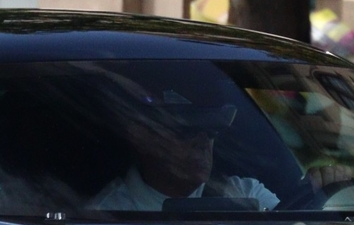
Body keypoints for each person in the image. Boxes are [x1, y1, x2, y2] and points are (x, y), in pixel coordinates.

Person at [88, 89, 280, 212]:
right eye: (187, 130)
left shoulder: (245, 193)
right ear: (141, 137)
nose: (203, 142)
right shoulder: (105, 215)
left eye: (212, 130)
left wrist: (310, 191)